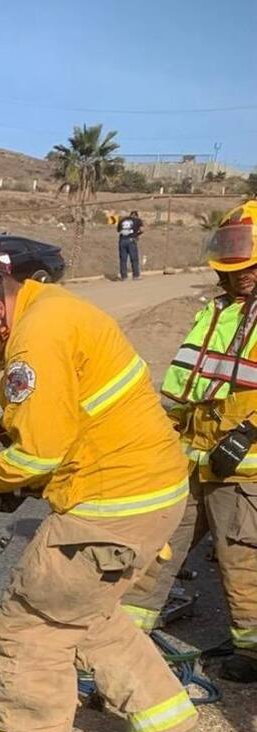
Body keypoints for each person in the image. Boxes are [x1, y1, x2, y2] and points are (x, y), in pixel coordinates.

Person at [0, 246, 201, 732]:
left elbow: (39, 453)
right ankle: (170, 726)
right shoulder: (53, 309)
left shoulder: (35, 339)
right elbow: (67, 433)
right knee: (87, 614)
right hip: (150, 491)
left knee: (30, 623)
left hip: (111, 502)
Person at [120, 200, 257, 682]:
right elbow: (187, 382)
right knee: (157, 549)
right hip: (190, 458)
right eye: (232, 252)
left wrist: (248, 433)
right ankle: (124, 642)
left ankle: (252, 652)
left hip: (243, 471)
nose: (237, 268)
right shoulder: (215, 312)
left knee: (242, 563)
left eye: (246, 254)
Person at [118, 209, 144, 280]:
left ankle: (124, 276)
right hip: (131, 240)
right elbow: (142, 230)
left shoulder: (122, 220)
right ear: (136, 215)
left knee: (123, 259)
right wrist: (136, 235)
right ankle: (136, 276)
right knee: (134, 259)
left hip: (122, 241)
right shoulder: (138, 220)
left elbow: (119, 231)